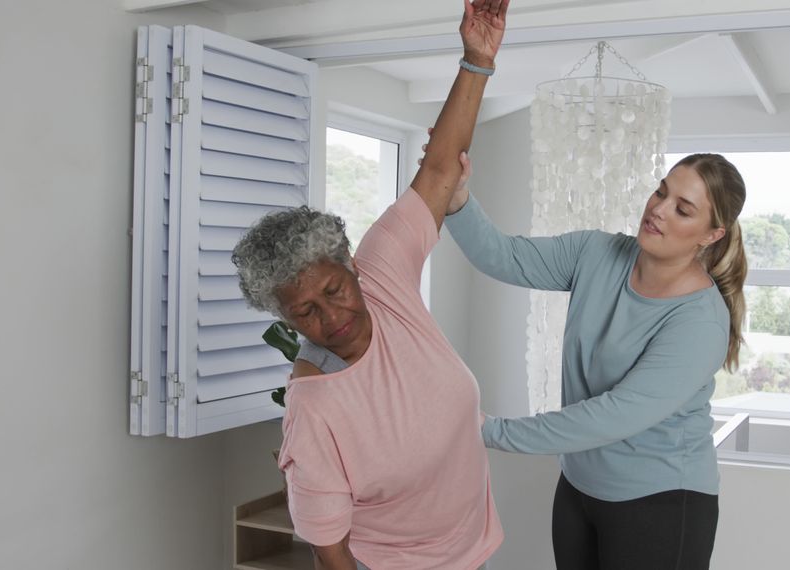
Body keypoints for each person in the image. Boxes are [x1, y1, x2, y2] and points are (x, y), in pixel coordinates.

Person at [230, 1, 510, 569]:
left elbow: (436, 172)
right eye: (305, 312)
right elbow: (329, 553)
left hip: (477, 551)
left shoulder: (385, 273)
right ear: (286, 321)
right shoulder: (315, 410)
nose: (329, 316)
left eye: (333, 290)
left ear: (352, 266)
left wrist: (477, 60)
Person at [443, 150, 748, 570]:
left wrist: (489, 432)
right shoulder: (596, 253)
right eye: (661, 192)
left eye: (682, 209)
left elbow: (612, 415)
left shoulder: (699, 322)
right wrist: (457, 198)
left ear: (710, 236)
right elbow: (504, 256)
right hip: (579, 488)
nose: (658, 210)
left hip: (660, 503)